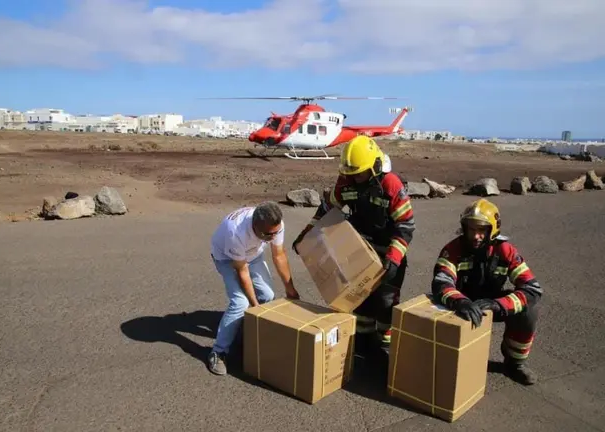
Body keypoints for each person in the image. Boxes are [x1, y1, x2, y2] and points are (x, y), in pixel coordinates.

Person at [292, 135, 415, 352]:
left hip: (389, 252)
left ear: (375, 166)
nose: (355, 178)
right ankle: (364, 343)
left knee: (386, 302)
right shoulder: (346, 180)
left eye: (360, 173)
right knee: (361, 300)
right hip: (361, 250)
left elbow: (405, 226)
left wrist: (394, 259)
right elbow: (327, 210)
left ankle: (386, 346)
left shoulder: (391, 184)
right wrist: (306, 234)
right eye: (352, 174)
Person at [431, 198, 543, 385]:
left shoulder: (505, 251)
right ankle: (446, 360)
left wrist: (499, 305)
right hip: (460, 305)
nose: (476, 236)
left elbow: (532, 289)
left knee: (529, 311)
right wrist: (460, 301)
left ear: (492, 230)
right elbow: (441, 283)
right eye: (472, 229)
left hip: (492, 304)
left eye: (481, 230)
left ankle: (514, 364)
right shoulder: (453, 249)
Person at [207, 201, 300, 376]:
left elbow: (279, 255)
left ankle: (248, 332)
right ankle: (219, 352)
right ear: (255, 226)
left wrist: (290, 289)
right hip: (226, 258)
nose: (273, 237)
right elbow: (242, 272)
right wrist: (254, 305)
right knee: (240, 303)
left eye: (276, 233)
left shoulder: (274, 224)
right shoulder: (236, 231)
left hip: (253, 254)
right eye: (268, 234)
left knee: (268, 294)